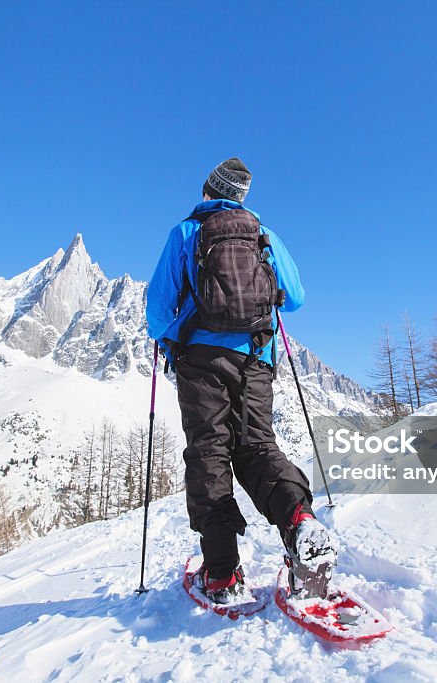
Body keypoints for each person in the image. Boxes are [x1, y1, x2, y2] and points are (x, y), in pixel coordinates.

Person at [146, 157, 338, 604]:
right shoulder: (263, 234)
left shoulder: (186, 232)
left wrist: (175, 336)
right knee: (258, 445)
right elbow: (297, 300)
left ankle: (221, 575)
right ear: (241, 198)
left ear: (209, 191)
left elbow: (157, 310)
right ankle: (298, 520)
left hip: (200, 362)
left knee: (209, 452)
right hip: (256, 358)